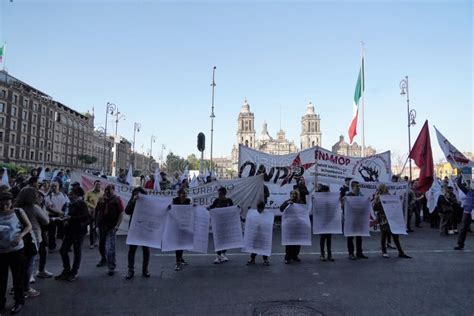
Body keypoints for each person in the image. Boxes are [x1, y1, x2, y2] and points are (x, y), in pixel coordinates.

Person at [0, 192, 32, 314]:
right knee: (1, 279)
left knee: (18, 277)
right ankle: (1, 304)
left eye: (7, 204)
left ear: (11, 203)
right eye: (2, 205)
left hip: (17, 250)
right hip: (1, 251)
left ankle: (19, 301)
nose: (4, 207)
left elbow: (28, 226)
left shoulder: (18, 212)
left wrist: (20, 236)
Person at [15, 187, 49, 299]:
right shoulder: (34, 207)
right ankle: (26, 289)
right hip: (33, 237)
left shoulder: (16, 207)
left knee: (20, 264)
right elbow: (46, 221)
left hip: (19, 237)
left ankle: (17, 287)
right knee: (29, 263)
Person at [55, 186, 90, 282]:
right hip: (69, 231)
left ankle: (74, 272)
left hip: (78, 231)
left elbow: (86, 217)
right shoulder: (69, 204)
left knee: (77, 251)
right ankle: (66, 270)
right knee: (63, 250)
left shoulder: (81, 204)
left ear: (77, 195)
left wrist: (71, 218)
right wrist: (64, 219)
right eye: (70, 193)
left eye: (72, 193)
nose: (70, 195)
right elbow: (66, 214)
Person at [372, 184, 411, 259]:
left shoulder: (389, 196)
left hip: (390, 217)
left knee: (394, 234)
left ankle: (399, 252)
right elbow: (375, 208)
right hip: (383, 218)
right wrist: (377, 201)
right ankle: (385, 251)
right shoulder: (378, 197)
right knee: (384, 234)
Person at [95, 184, 124, 276]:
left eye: (109, 189)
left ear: (113, 190)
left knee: (110, 248)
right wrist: (95, 224)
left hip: (111, 227)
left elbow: (121, 213)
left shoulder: (117, 199)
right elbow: (97, 211)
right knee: (101, 245)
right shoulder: (102, 199)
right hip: (101, 226)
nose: (107, 191)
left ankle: (111, 267)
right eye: (106, 189)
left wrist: (117, 225)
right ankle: (104, 259)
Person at [124, 187, 150, 279]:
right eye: (135, 194)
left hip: (144, 229)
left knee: (146, 250)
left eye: (138, 194)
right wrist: (133, 201)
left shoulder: (147, 203)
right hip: (134, 229)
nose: (137, 195)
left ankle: (145, 269)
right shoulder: (132, 200)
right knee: (132, 250)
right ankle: (130, 270)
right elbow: (127, 211)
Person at [343, 180, 368, 260]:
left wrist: (367, 201)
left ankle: (359, 252)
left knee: (359, 236)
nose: (358, 188)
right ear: (352, 187)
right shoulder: (349, 195)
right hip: (351, 219)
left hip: (359, 218)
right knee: (350, 236)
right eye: (357, 186)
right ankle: (351, 253)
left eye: (359, 186)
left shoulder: (360, 196)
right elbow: (344, 206)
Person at [208, 187, 233, 264]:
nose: (219, 195)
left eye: (220, 194)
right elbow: (211, 207)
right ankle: (218, 255)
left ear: (224, 194)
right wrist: (205, 209)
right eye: (218, 194)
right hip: (218, 224)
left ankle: (223, 254)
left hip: (226, 223)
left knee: (225, 240)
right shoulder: (216, 201)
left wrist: (238, 208)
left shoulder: (229, 201)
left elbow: (233, 209)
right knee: (218, 239)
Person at [45, 182, 70, 252]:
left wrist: (64, 212)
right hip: (52, 216)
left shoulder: (63, 195)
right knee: (51, 232)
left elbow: (67, 204)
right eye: (52, 186)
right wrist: (59, 212)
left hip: (62, 215)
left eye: (55, 186)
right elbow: (49, 207)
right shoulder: (48, 196)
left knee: (63, 231)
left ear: (58, 187)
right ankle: (52, 247)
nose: (54, 187)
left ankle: (65, 246)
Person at [171, 188, 191, 271]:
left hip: (184, 223)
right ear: (179, 194)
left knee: (182, 243)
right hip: (176, 224)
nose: (184, 196)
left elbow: (190, 210)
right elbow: (171, 209)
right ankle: (177, 262)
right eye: (183, 194)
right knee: (178, 244)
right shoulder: (174, 200)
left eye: (185, 194)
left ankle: (181, 259)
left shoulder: (188, 201)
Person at [280, 190, 303, 264]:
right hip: (289, 226)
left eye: (295, 194)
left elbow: (304, 211)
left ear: (297, 195)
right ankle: (287, 257)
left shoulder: (299, 203)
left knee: (297, 242)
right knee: (289, 242)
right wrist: (287, 204)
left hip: (297, 225)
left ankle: (295, 256)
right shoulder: (287, 202)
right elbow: (281, 208)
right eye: (292, 194)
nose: (293, 195)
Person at [246, 201, 270, 266]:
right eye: (258, 209)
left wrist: (275, 224)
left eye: (261, 209)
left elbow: (269, 223)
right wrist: (249, 211)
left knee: (264, 247)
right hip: (256, 234)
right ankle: (252, 259)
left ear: (263, 208)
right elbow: (249, 220)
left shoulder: (267, 214)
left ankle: (265, 259)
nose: (259, 210)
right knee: (255, 247)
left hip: (263, 234)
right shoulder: (254, 214)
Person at [454, 174, 473, 250]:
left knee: (463, 228)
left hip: (470, 211)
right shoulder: (468, 191)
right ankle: (460, 244)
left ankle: (460, 244)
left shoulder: (468, 191)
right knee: (463, 228)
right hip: (467, 212)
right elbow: (459, 184)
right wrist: (460, 175)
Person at [317, 185, 334, 262]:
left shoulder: (330, 199)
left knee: (329, 238)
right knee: (323, 238)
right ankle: (322, 254)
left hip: (329, 220)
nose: (328, 192)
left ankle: (329, 254)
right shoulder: (319, 198)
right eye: (326, 191)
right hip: (322, 220)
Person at [84, 180, 102, 249]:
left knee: (98, 228)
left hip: (99, 213)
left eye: (99, 185)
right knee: (92, 227)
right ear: (94, 185)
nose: (98, 186)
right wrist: (92, 206)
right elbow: (85, 201)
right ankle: (92, 243)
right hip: (91, 212)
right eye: (97, 184)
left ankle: (96, 241)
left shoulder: (102, 193)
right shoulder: (89, 192)